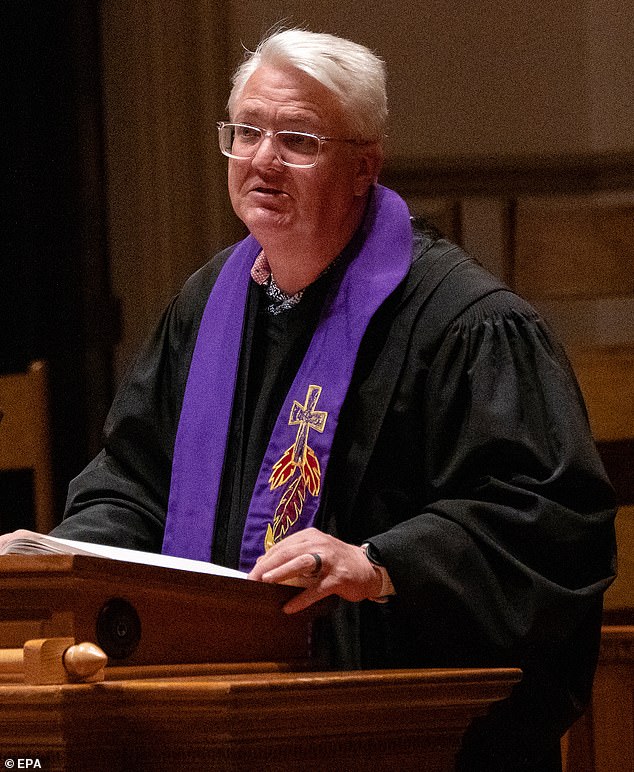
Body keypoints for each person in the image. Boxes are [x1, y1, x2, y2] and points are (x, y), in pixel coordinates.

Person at [2, 29, 617, 771]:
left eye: (298, 139)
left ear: (364, 168)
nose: (262, 159)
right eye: (246, 132)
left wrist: (378, 561)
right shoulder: (206, 309)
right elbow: (135, 479)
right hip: (208, 701)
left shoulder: (468, 325)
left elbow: (549, 523)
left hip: (390, 713)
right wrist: (65, 558)